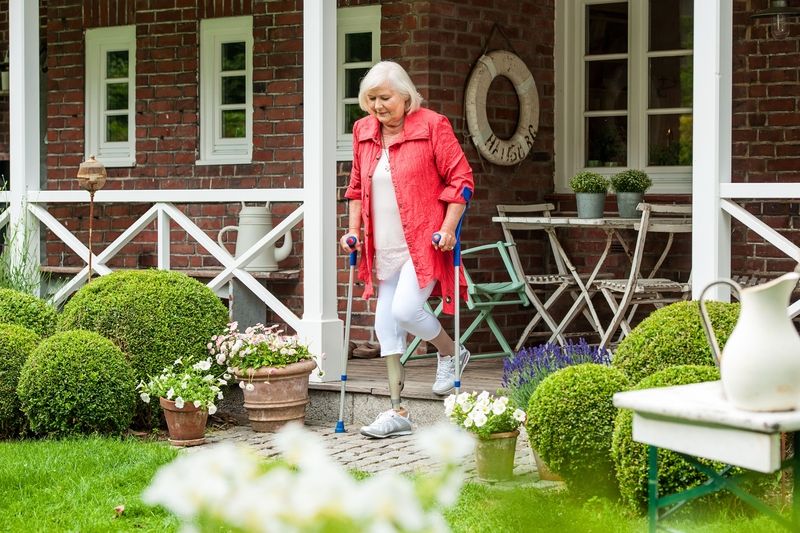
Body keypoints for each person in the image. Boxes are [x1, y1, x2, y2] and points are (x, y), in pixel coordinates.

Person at [340, 61, 475, 439]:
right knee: (385, 325)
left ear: (405, 96)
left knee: (406, 309)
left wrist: (448, 229)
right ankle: (397, 412)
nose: (378, 106)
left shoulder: (433, 125)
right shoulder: (363, 131)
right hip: (383, 245)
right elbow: (354, 188)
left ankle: (450, 352)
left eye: (385, 98)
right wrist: (352, 231)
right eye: (371, 99)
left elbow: (461, 181)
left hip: (423, 241)